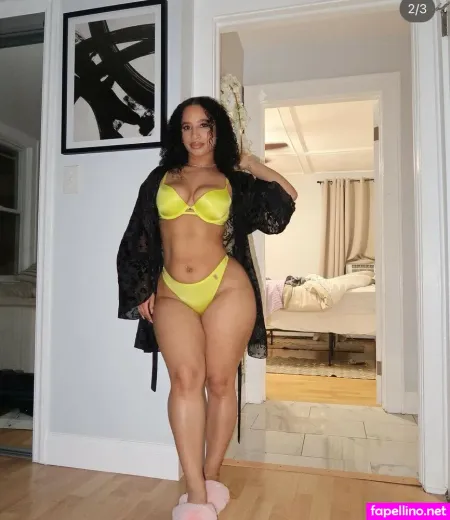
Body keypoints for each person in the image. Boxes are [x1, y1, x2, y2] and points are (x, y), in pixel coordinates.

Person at [116, 96, 297, 520]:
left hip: (226, 288)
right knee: (185, 379)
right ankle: (196, 493)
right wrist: (141, 288)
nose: (195, 135)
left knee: (219, 382)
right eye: (186, 127)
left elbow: (284, 203)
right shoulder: (160, 178)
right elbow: (137, 234)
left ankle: (212, 475)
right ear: (177, 133)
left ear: (217, 130)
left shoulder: (233, 179)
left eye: (204, 125)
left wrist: (252, 163)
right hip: (172, 290)